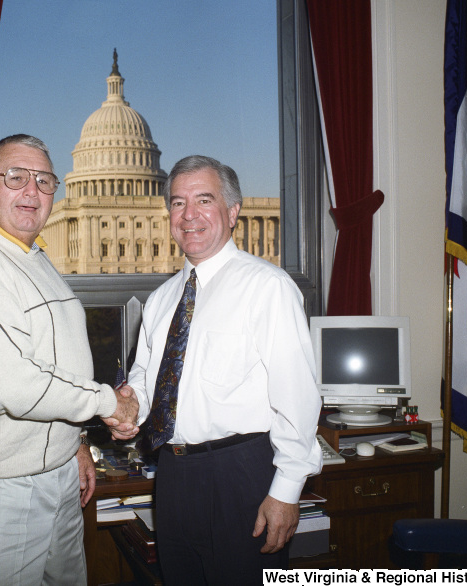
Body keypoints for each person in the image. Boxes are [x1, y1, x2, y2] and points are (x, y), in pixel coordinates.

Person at [0, 134, 138, 585]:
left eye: (43, 181)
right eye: (15, 177)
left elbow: (57, 365)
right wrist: (106, 404)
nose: (32, 191)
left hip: (56, 477)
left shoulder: (32, 258)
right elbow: (14, 385)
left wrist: (75, 439)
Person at [112, 155, 322, 584]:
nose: (188, 215)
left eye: (203, 200)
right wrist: (129, 407)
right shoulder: (162, 299)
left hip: (240, 475)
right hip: (172, 477)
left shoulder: (268, 287)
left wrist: (285, 491)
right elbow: (148, 377)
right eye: (177, 203)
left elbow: (298, 398)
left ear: (232, 212)